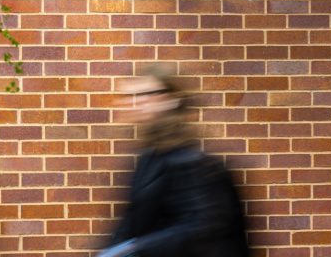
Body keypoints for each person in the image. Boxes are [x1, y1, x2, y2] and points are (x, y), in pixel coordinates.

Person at [99, 65, 249, 257]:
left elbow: (202, 228)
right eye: (129, 96)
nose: (135, 103)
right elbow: (130, 224)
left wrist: (135, 249)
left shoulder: (191, 162)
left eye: (145, 94)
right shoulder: (148, 158)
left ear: (171, 99)